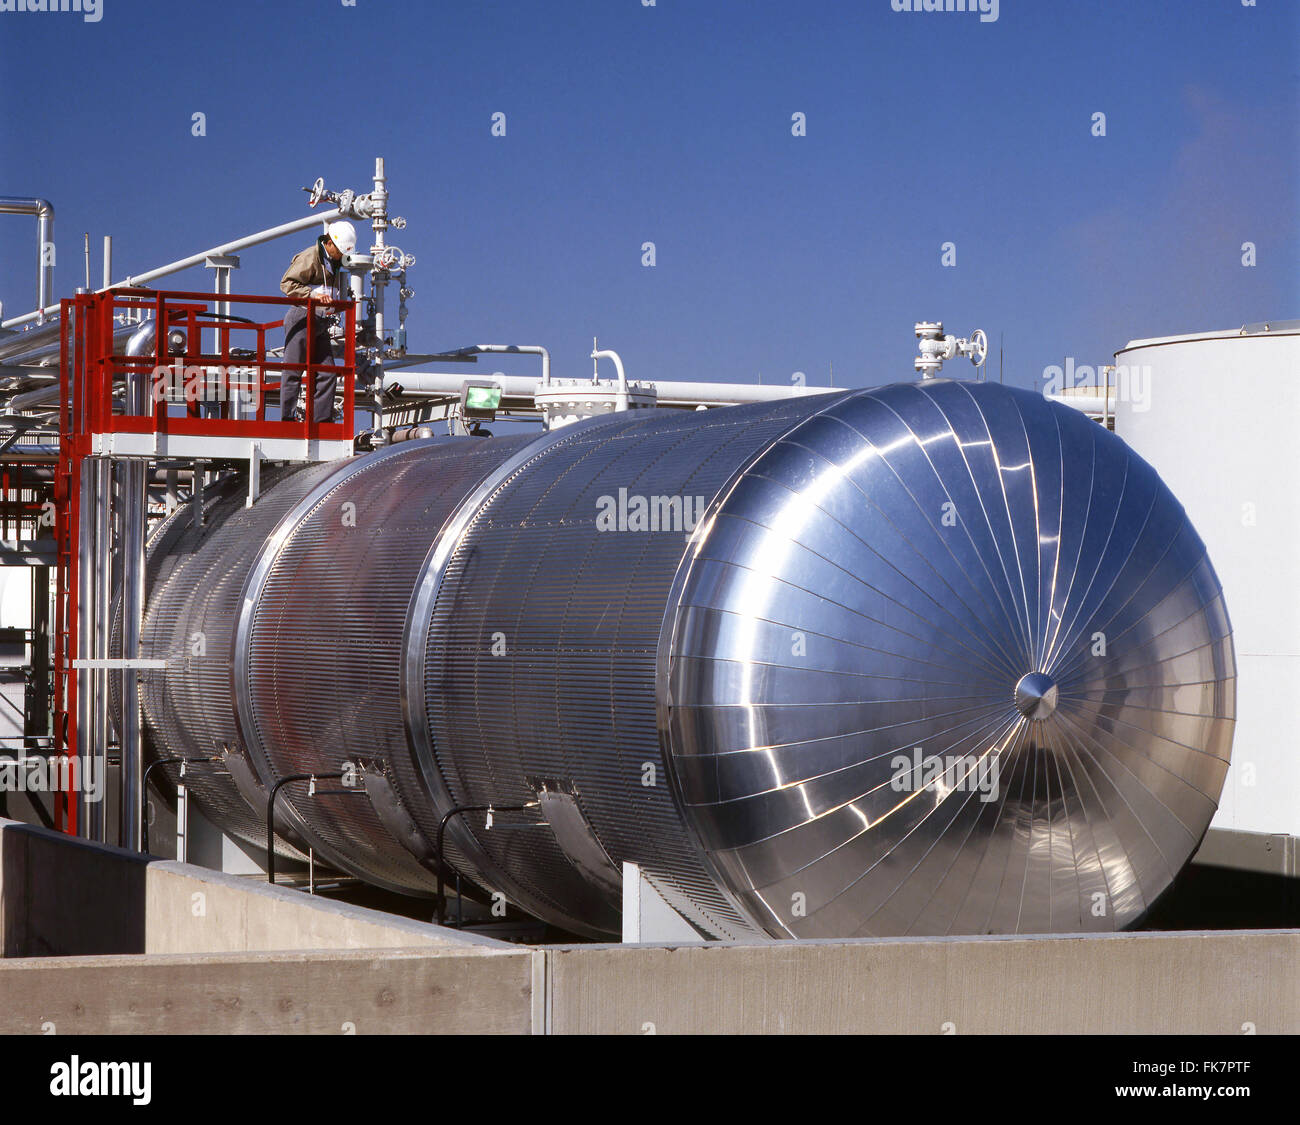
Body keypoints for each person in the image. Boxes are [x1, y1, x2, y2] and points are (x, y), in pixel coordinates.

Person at [278, 220, 357, 422]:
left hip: (322, 321)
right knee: (293, 370)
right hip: (303, 316)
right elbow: (287, 284)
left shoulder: (335, 262)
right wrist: (312, 294)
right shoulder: (311, 257)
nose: (341, 256)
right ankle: (287, 420)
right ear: (329, 243)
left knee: (327, 372)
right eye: (339, 251)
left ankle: (321, 421)